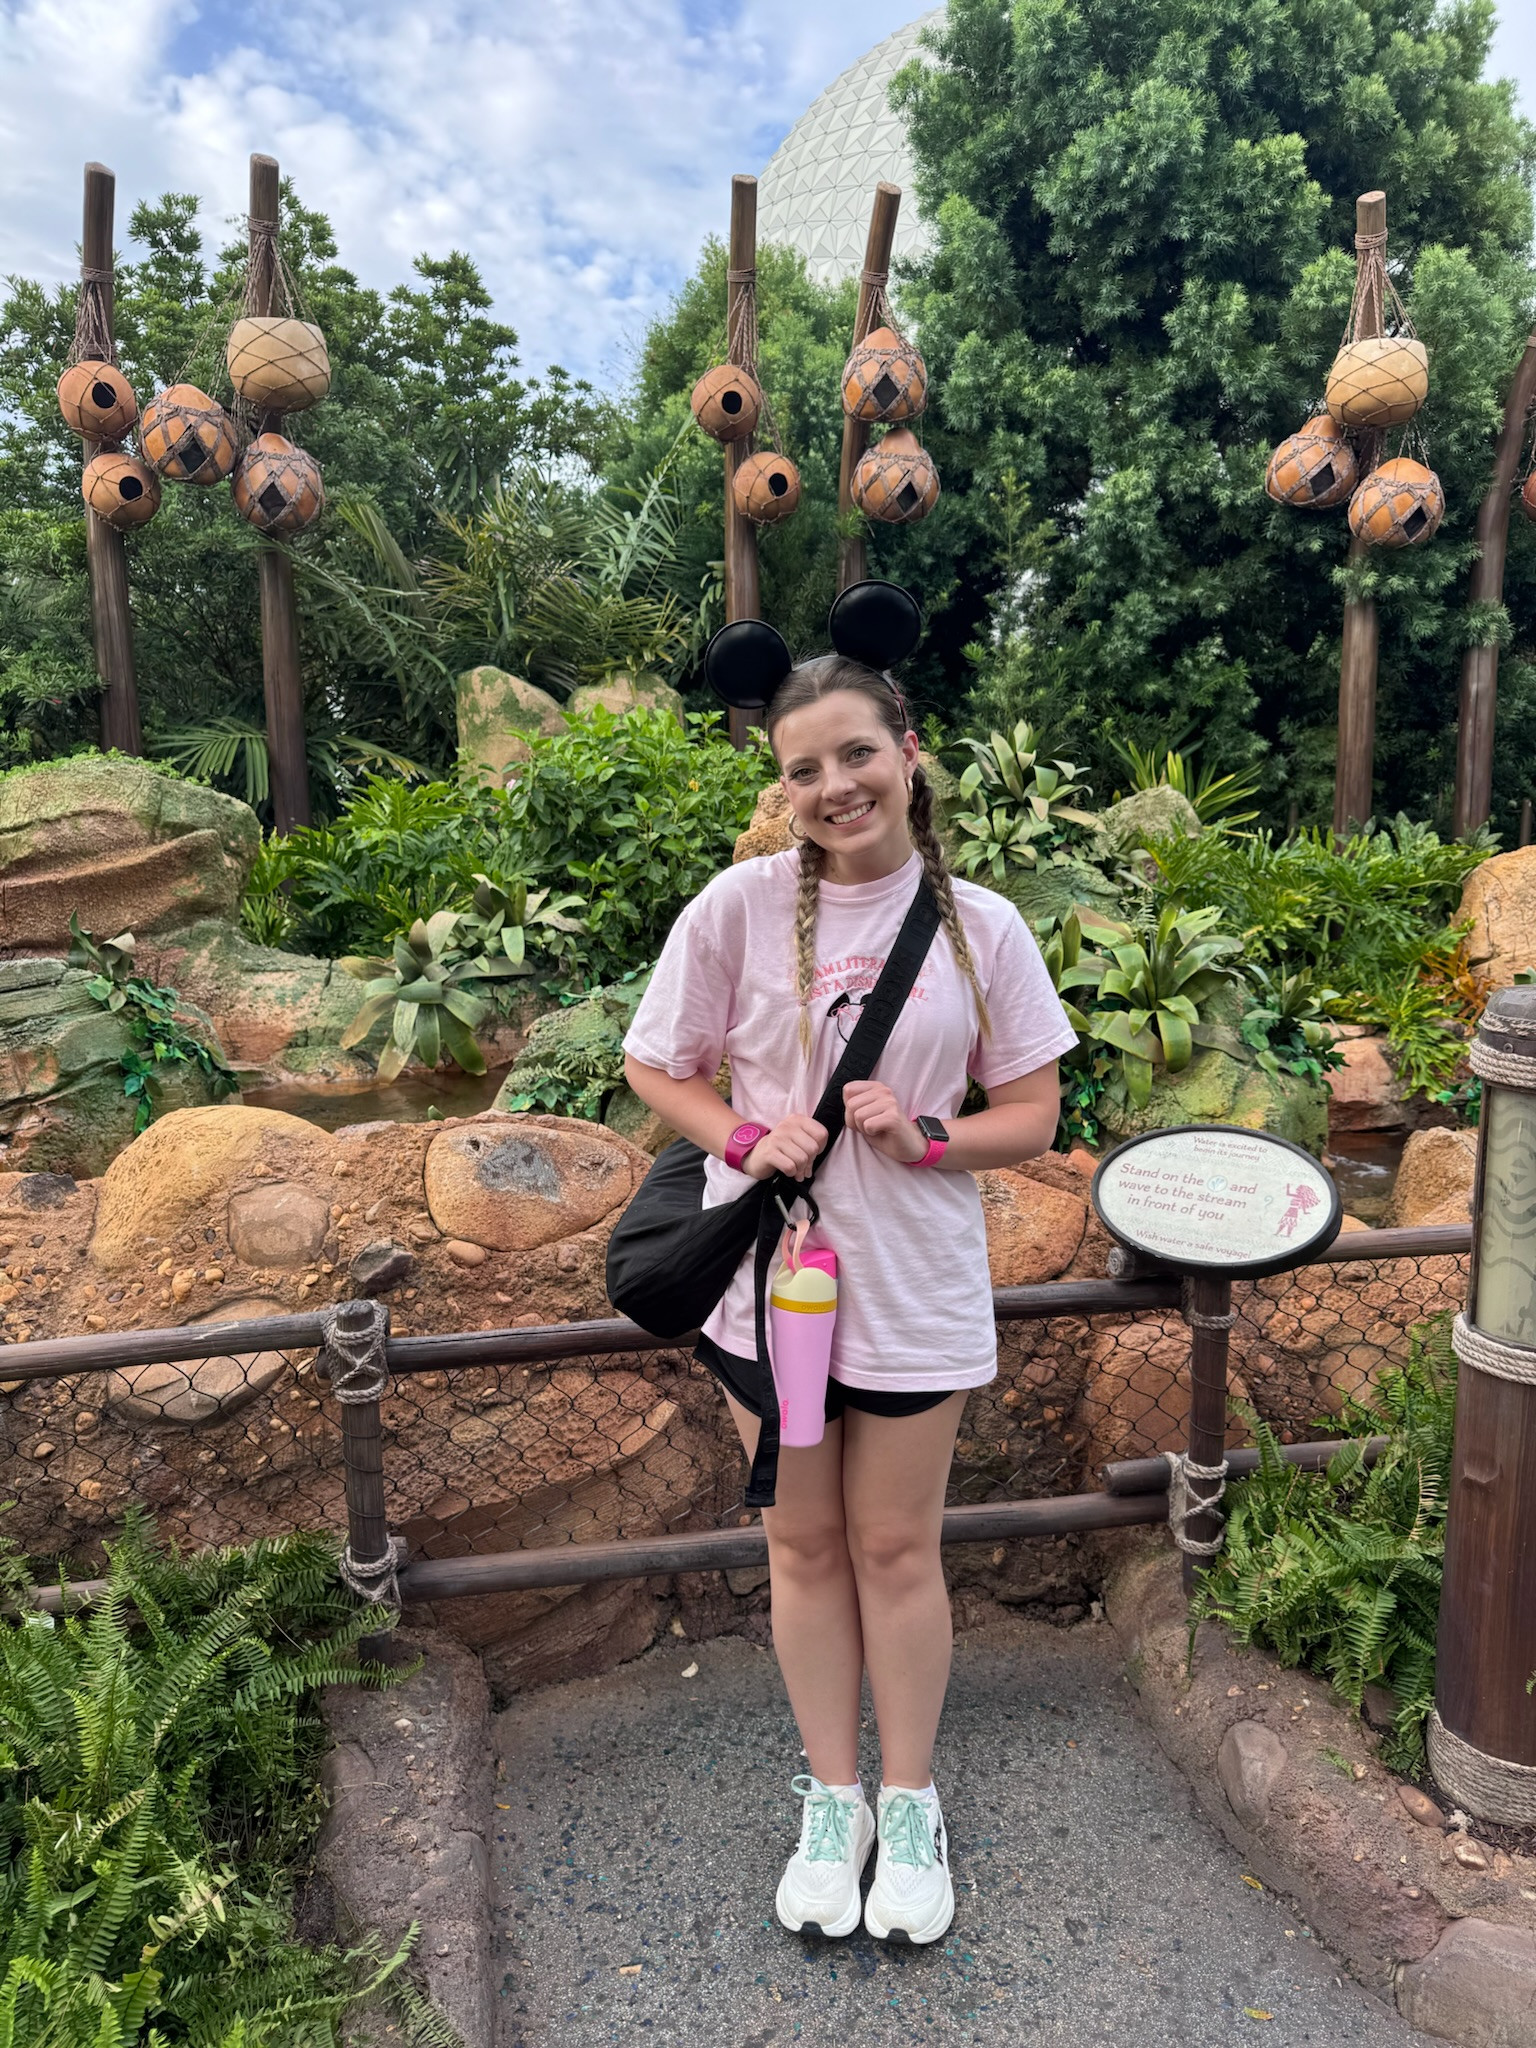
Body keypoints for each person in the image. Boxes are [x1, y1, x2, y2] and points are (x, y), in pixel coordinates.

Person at [621, 654, 1077, 1945]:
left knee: (895, 1547)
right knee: (802, 1544)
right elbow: (659, 1065)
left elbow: (1034, 1115)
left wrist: (931, 1134)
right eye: (803, 768)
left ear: (910, 750)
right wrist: (745, 1131)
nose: (834, 786)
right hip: (772, 1288)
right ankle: (836, 1800)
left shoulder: (981, 926)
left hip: (914, 1286)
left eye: (855, 754)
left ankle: (913, 1800)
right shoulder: (739, 907)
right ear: (783, 786)